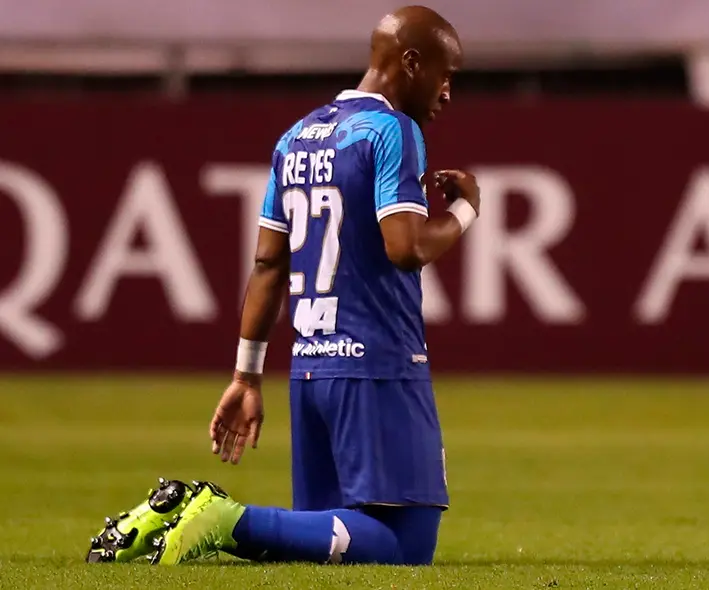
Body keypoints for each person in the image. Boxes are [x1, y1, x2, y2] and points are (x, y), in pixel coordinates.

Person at [88, 5, 480, 567]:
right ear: (412, 62)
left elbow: (268, 264)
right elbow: (407, 247)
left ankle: (168, 519)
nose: (447, 92)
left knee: (330, 543)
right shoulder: (392, 130)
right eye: (445, 74)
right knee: (406, 544)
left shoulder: (296, 138)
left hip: (311, 370)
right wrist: (467, 210)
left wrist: (246, 375)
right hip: (377, 364)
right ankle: (221, 517)